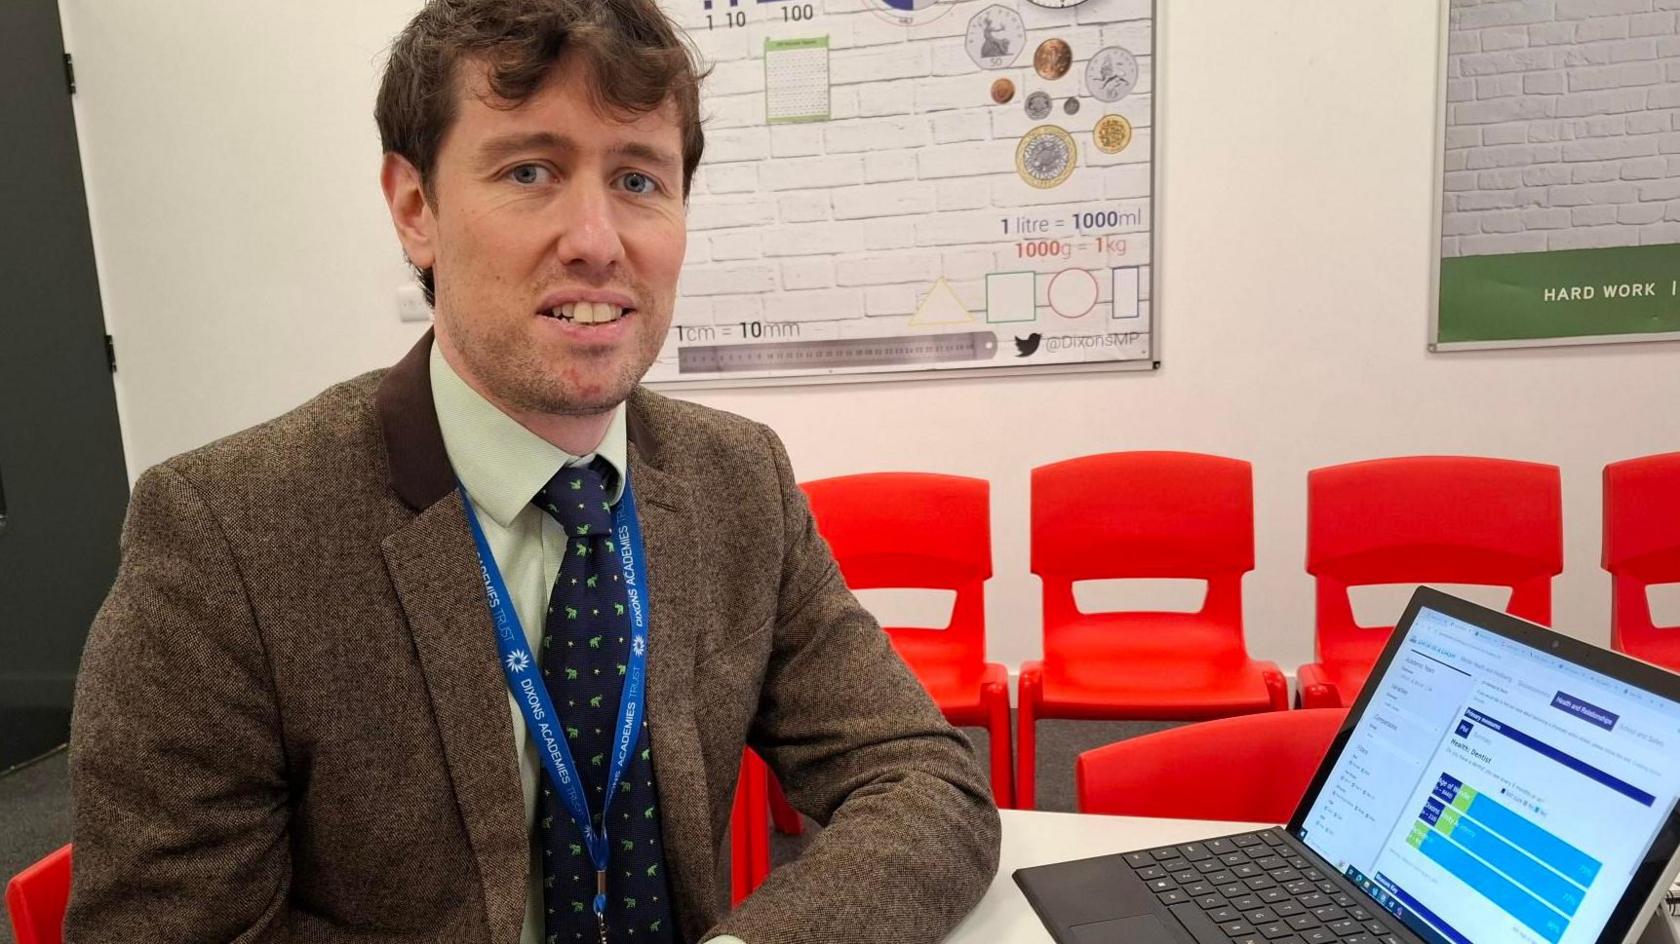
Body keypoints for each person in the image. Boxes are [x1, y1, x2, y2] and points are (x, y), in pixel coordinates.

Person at [63, 0, 1001, 941]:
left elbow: (921, 777)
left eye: (638, 178)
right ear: (415, 208)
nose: (597, 240)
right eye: (530, 171)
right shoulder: (230, 537)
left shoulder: (736, 482)